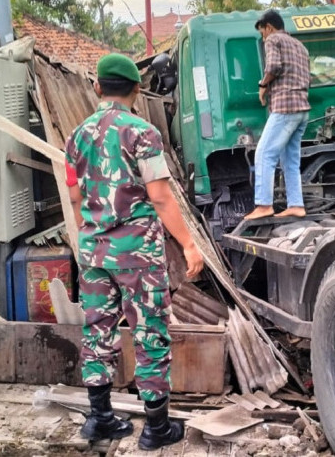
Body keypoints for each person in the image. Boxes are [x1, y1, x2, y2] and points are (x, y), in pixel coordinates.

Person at [65, 53, 204, 450]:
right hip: (137, 256)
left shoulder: (76, 137)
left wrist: (91, 238)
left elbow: (75, 197)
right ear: (137, 90)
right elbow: (160, 196)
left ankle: (101, 419)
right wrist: (190, 244)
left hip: (93, 253)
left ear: (97, 88)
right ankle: (156, 429)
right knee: (149, 332)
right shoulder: (142, 133)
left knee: (97, 331)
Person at [244, 9, 311, 220]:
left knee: (264, 153)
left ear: (269, 27)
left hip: (285, 107)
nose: (263, 36)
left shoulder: (273, 40)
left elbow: (273, 66)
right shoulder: (300, 47)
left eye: (262, 32)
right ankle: (296, 204)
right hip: (302, 108)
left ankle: (263, 205)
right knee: (290, 160)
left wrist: (263, 85)